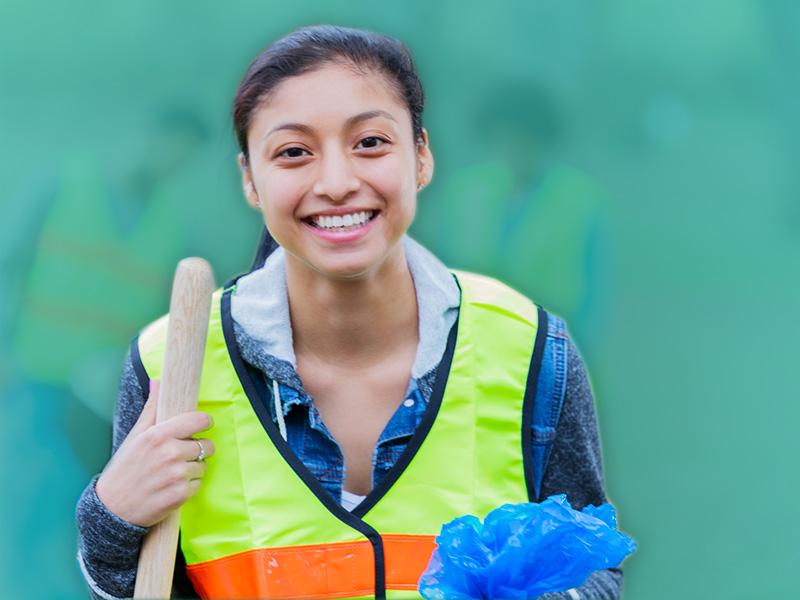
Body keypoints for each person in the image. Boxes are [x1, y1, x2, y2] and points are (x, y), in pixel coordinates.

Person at [76, 25, 624, 599]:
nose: (336, 183)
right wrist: (110, 523)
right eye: (293, 152)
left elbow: (590, 566)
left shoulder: (533, 349)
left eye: (370, 143)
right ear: (250, 180)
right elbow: (139, 587)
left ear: (421, 156)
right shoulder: (171, 365)